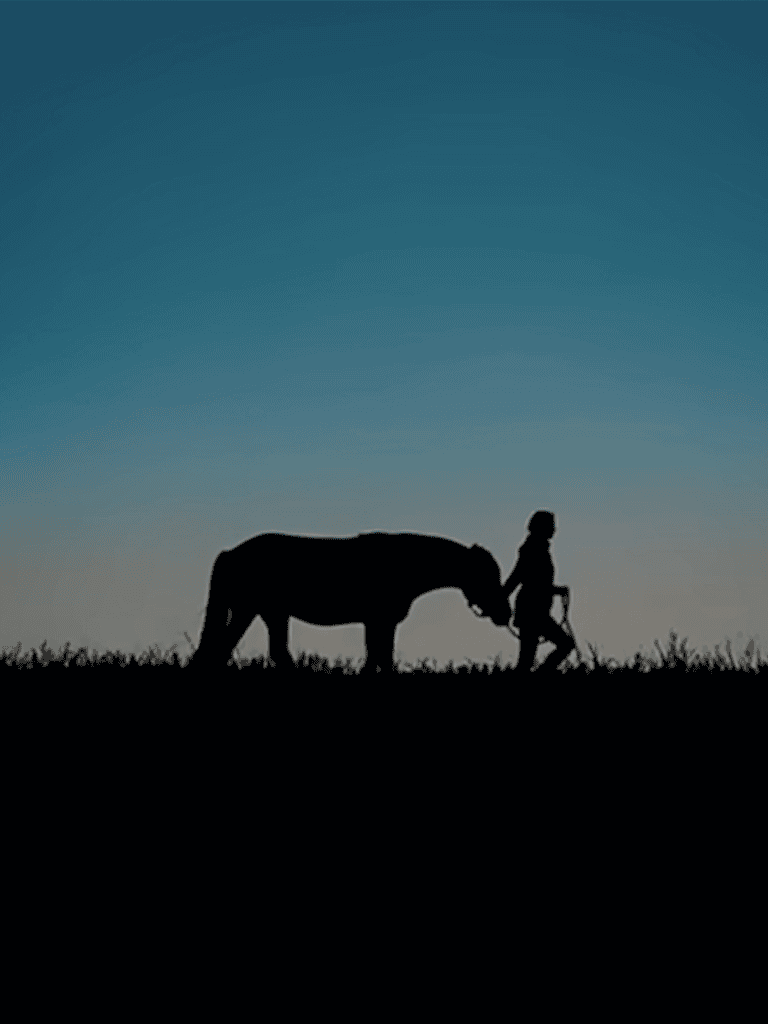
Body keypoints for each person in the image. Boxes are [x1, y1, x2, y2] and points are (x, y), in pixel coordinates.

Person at [502, 510, 575, 673]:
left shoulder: (534, 547)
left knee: (526, 660)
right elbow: (524, 579)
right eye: (552, 526)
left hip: (533, 609)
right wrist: (557, 590)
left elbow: (521, 578)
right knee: (564, 645)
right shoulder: (532, 548)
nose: (554, 530)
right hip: (532, 611)